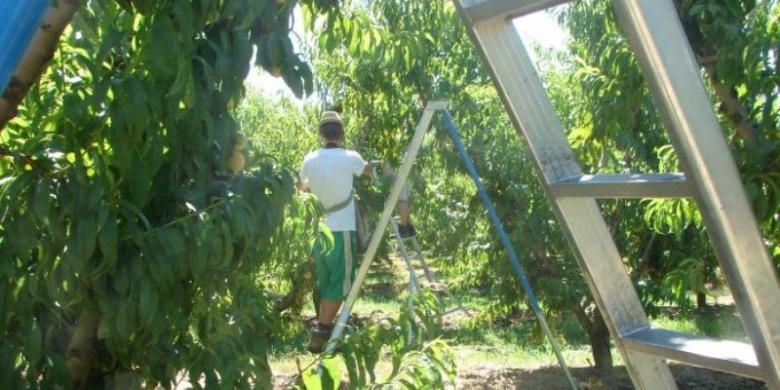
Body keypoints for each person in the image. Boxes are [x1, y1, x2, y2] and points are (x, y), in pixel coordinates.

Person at [299, 111, 372, 353]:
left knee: (327, 279)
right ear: (341, 133)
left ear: (321, 134)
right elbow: (367, 172)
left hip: (319, 232)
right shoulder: (350, 157)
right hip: (341, 229)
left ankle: (325, 328)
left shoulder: (309, 160)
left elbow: (301, 187)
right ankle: (322, 329)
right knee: (341, 283)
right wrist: (376, 167)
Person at [382, 158, 416, 237]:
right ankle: (408, 226)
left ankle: (406, 226)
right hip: (395, 174)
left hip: (398, 173)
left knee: (403, 200)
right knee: (403, 200)